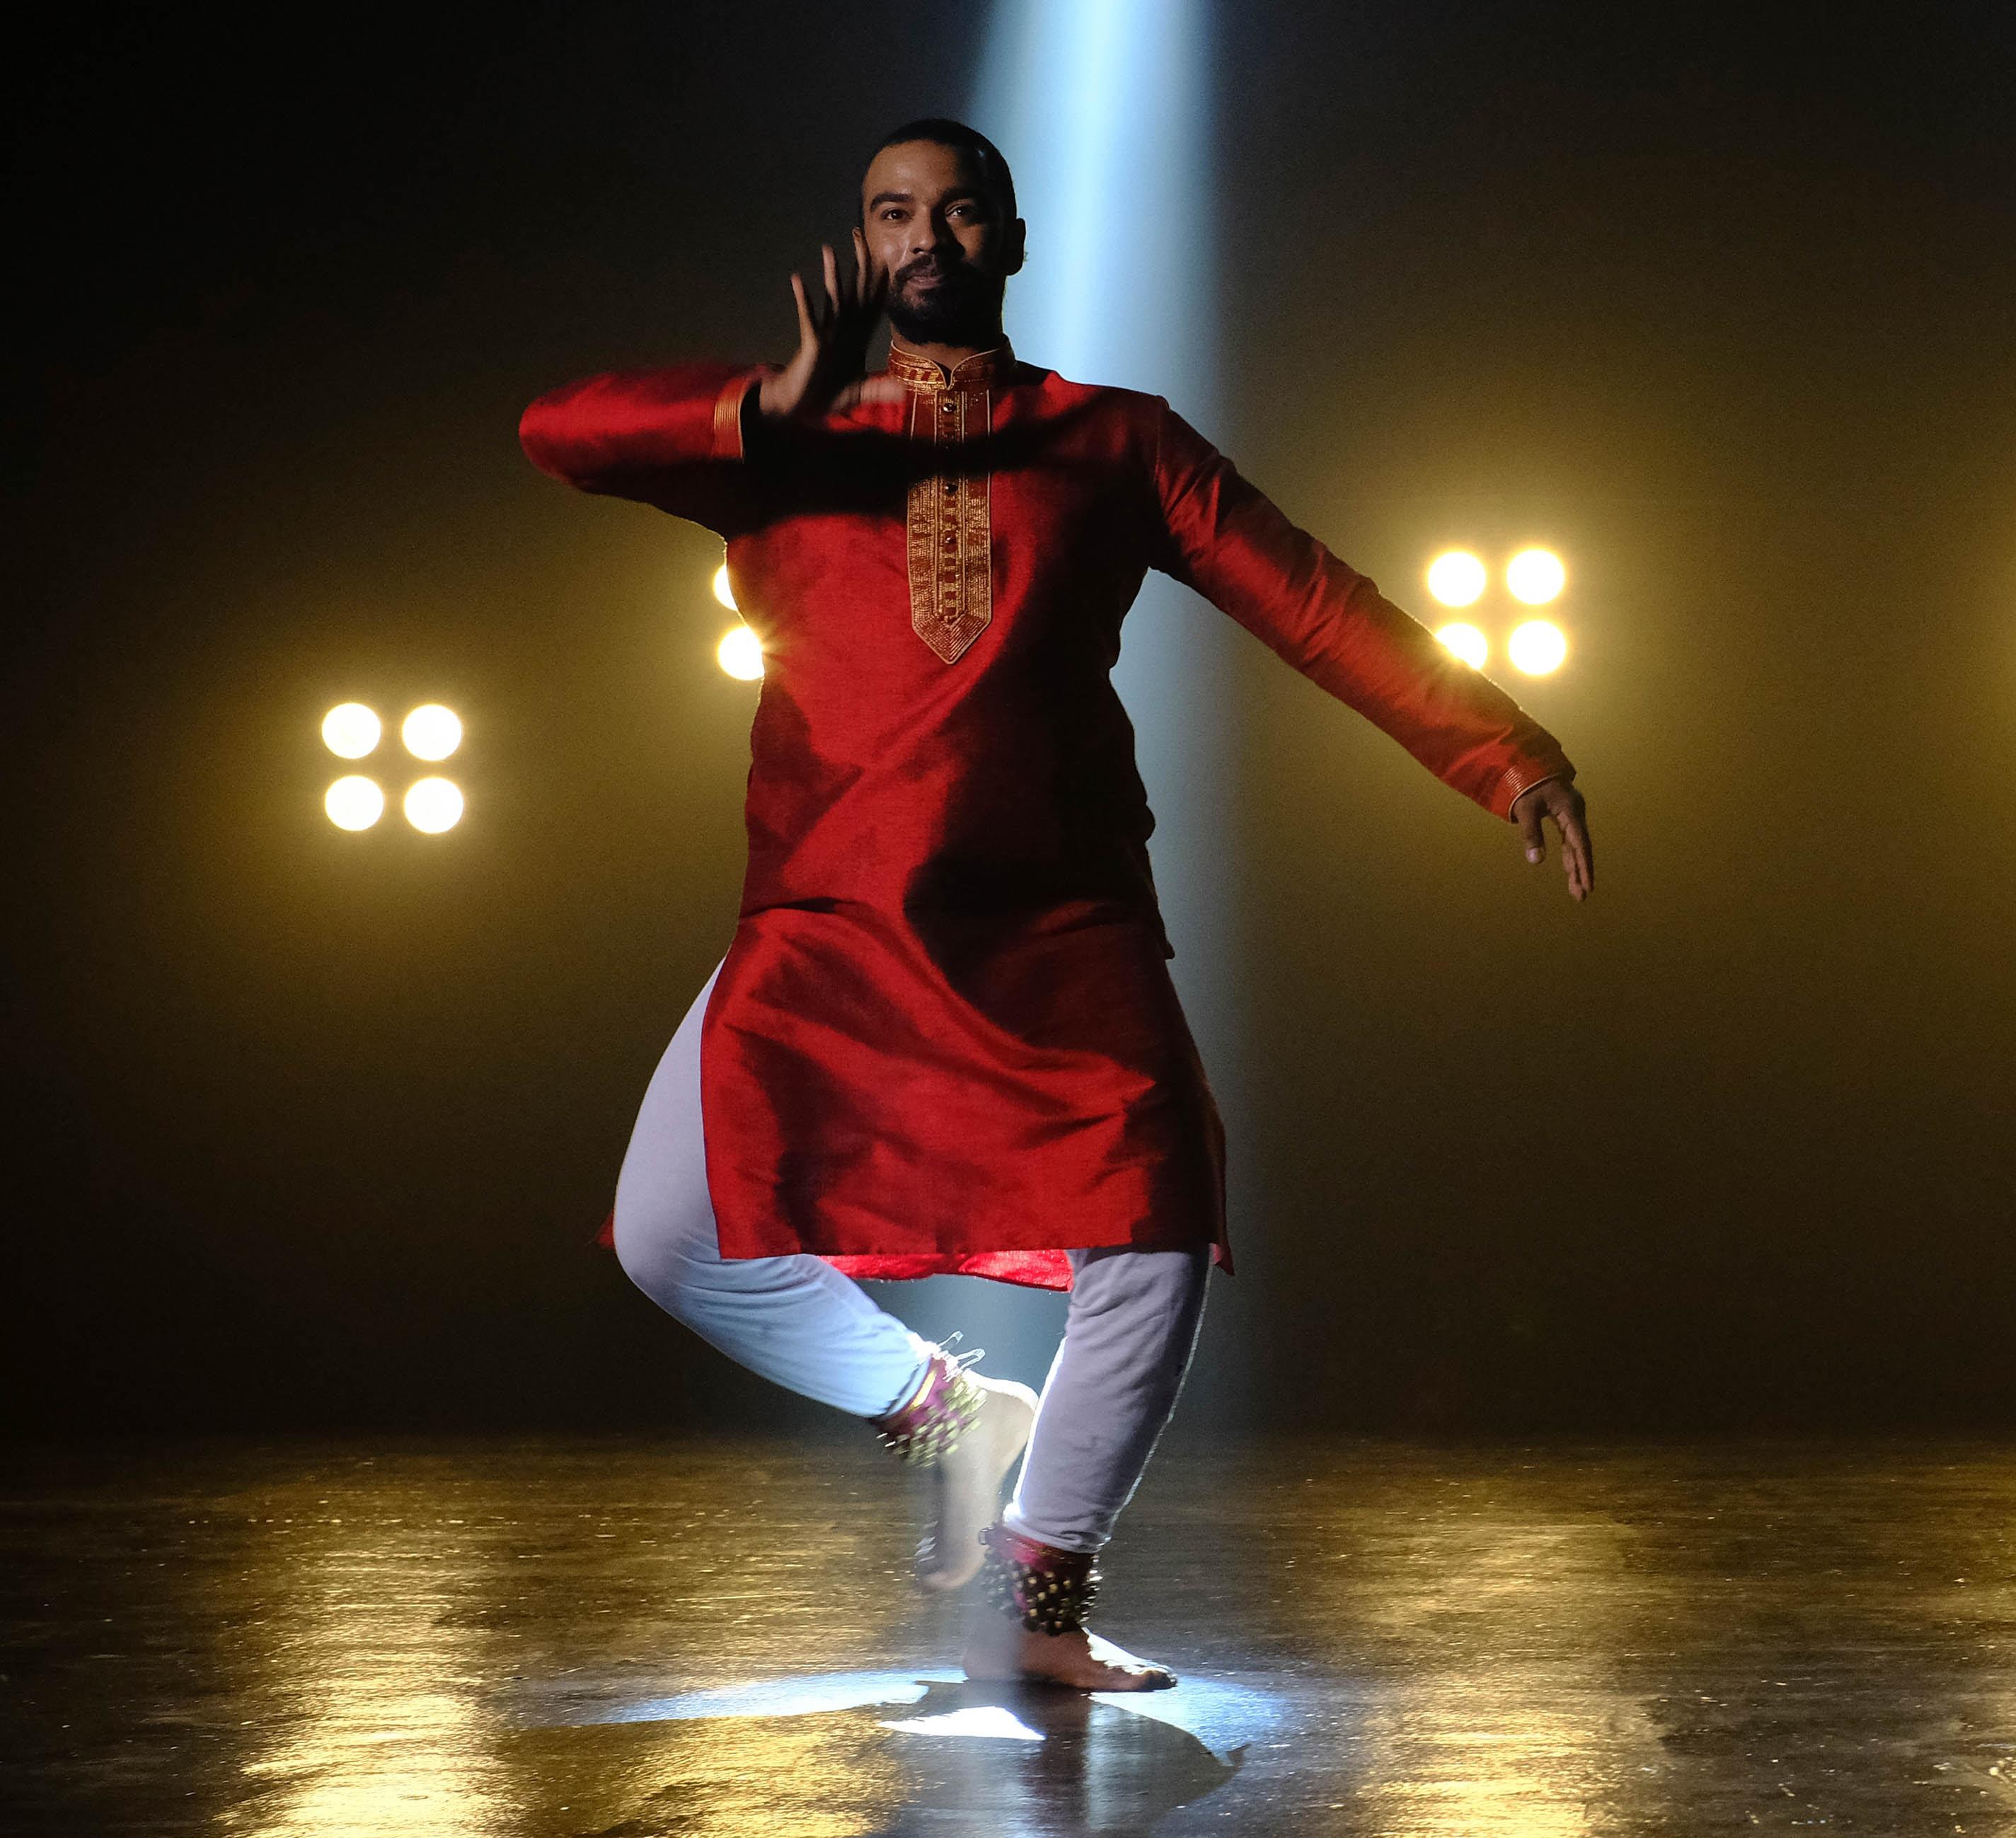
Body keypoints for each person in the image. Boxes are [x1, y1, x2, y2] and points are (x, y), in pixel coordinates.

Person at [522, 120, 1594, 1692]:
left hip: (1055, 916)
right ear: (865, 244)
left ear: (1011, 242)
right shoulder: (785, 440)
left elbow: (1308, 598)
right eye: (895, 213)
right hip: (829, 911)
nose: (928, 238)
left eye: (960, 212)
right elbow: (557, 429)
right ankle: (952, 1414)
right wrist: (766, 406)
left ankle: (1043, 1602)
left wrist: (1503, 752)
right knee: (672, 1236)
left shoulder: (1112, 440)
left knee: (1156, 1235)